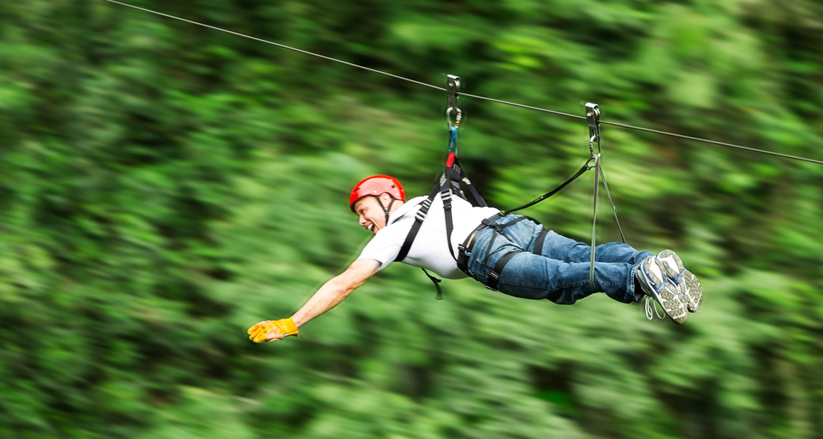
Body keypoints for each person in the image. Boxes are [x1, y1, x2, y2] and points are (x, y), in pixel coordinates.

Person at [247, 175, 702, 343]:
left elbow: (343, 282)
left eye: (364, 211)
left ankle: (640, 278)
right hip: (512, 226)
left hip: (488, 254)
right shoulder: (436, 196)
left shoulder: (394, 233)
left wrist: (293, 321)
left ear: (387, 198)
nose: (363, 223)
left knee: (566, 280)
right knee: (585, 254)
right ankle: (657, 264)